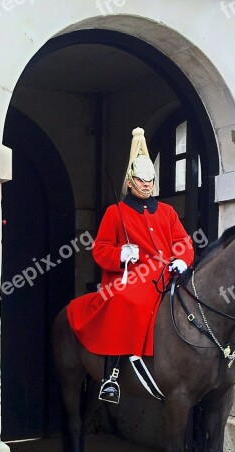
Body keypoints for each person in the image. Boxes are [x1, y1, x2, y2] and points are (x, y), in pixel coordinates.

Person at [67, 127, 195, 402]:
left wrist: (181, 261)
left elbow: (183, 242)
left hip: (165, 273)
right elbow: (99, 250)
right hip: (131, 277)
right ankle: (112, 376)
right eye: (141, 180)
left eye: (150, 180)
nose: (147, 185)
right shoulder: (115, 213)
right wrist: (121, 254)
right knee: (127, 301)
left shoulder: (167, 212)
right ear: (131, 180)